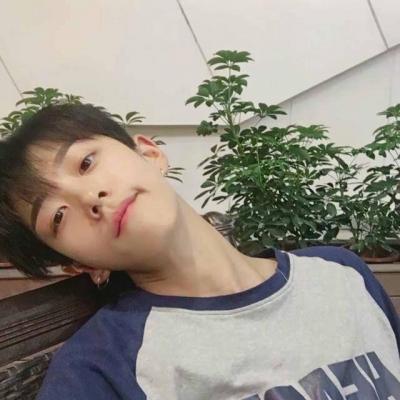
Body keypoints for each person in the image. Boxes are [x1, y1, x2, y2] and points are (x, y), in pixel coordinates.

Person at [0, 103, 399, 400]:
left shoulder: (341, 274)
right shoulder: (98, 370)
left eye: (86, 163)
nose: (91, 197)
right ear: (78, 264)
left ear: (149, 154)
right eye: (58, 217)